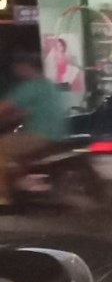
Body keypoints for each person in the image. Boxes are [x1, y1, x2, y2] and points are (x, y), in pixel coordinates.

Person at [0, 50, 67, 204]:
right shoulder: (48, 85)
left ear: (25, 67)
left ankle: (2, 195)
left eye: (17, 66)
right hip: (57, 135)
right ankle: (20, 185)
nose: (15, 70)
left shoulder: (30, 86)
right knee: (16, 152)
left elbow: (4, 107)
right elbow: (21, 113)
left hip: (38, 135)